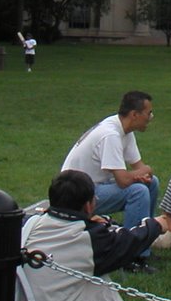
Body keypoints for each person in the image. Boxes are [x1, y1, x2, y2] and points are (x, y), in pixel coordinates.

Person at [13, 169, 168, 301]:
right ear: (88, 205)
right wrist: (157, 224)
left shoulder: (31, 223)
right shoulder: (89, 240)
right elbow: (129, 241)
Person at [61, 91, 161, 273]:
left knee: (151, 183)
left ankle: (145, 243)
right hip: (79, 195)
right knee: (137, 191)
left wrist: (144, 173)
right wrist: (142, 172)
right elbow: (123, 181)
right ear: (134, 114)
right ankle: (129, 256)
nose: (151, 117)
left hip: (97, 185)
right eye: (149, 113)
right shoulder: (111, 135)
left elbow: (140, 168)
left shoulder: (124, 131)